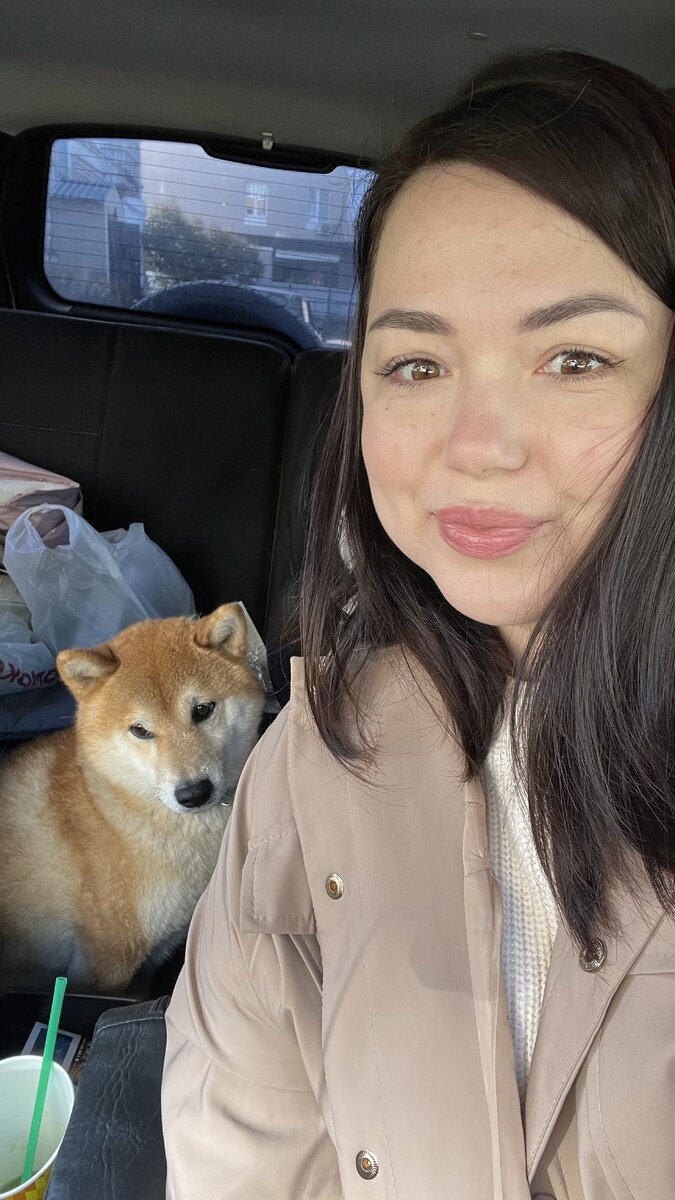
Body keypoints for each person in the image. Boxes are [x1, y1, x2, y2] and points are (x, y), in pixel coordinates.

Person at [161, 48, 675, 1199]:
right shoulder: (315, 751)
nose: (475, 448)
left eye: (576, 358)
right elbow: (238, 1154)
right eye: (417, 363)